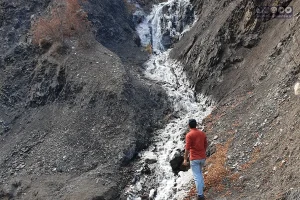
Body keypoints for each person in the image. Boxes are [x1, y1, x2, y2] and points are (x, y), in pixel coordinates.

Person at [183, 119, 208, 200]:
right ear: (196, 125)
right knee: (200, 172)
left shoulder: (189, 135)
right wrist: (203, 153)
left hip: (194, 158)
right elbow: (205, 144)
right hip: (202, 157)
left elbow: (187, 148)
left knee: (197, 176)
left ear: (189, 125)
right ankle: (202, 186)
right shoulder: (202, 133)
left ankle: (200, 195)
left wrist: (185, 159)